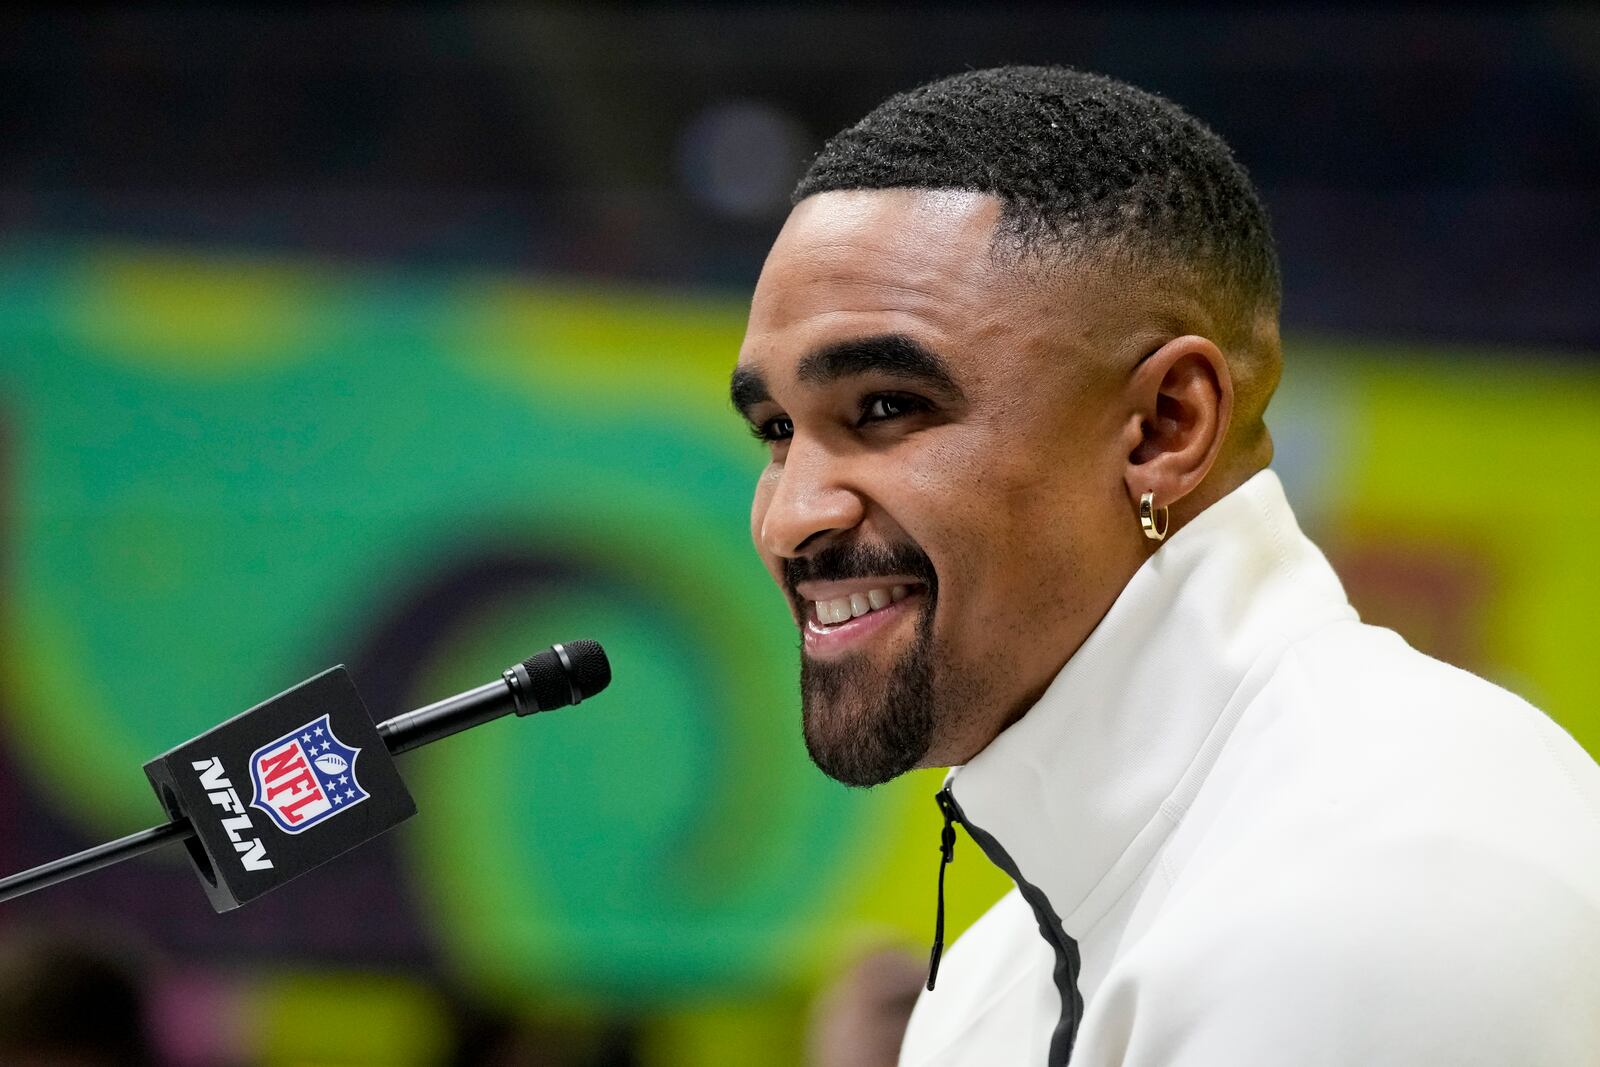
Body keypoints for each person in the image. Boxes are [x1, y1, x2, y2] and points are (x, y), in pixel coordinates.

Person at [730, 65, 1600, 1065]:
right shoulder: (987, 978)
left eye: (885, 407)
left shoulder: (1376, 878)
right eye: (776, 430)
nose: (792, 513)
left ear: (1163, 426)